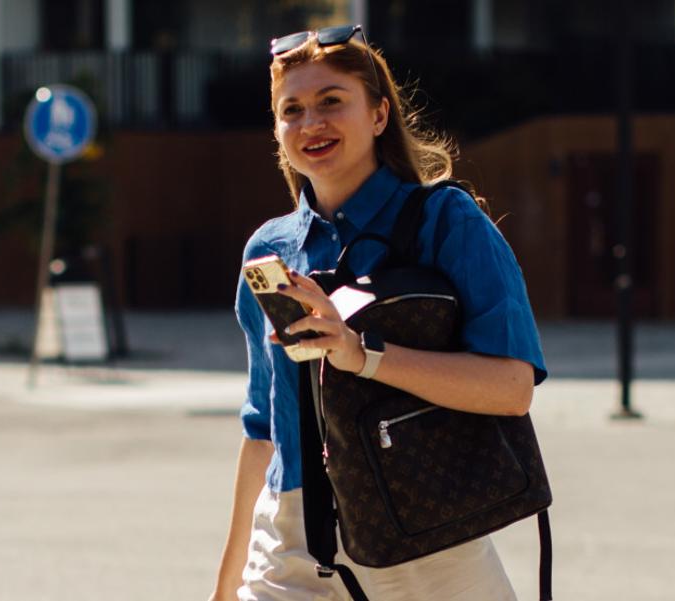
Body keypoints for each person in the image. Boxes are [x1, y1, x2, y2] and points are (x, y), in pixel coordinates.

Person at [209, 24, 548, 601]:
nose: (311, 123)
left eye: (331, 102)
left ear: (379, 116)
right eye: (291, 110)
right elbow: (263, 431)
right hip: (291, 545)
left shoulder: (448, 222)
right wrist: (225, 585)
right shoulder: (267, 252)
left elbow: (512, 387)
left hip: (423, 539)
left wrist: (360, 355)